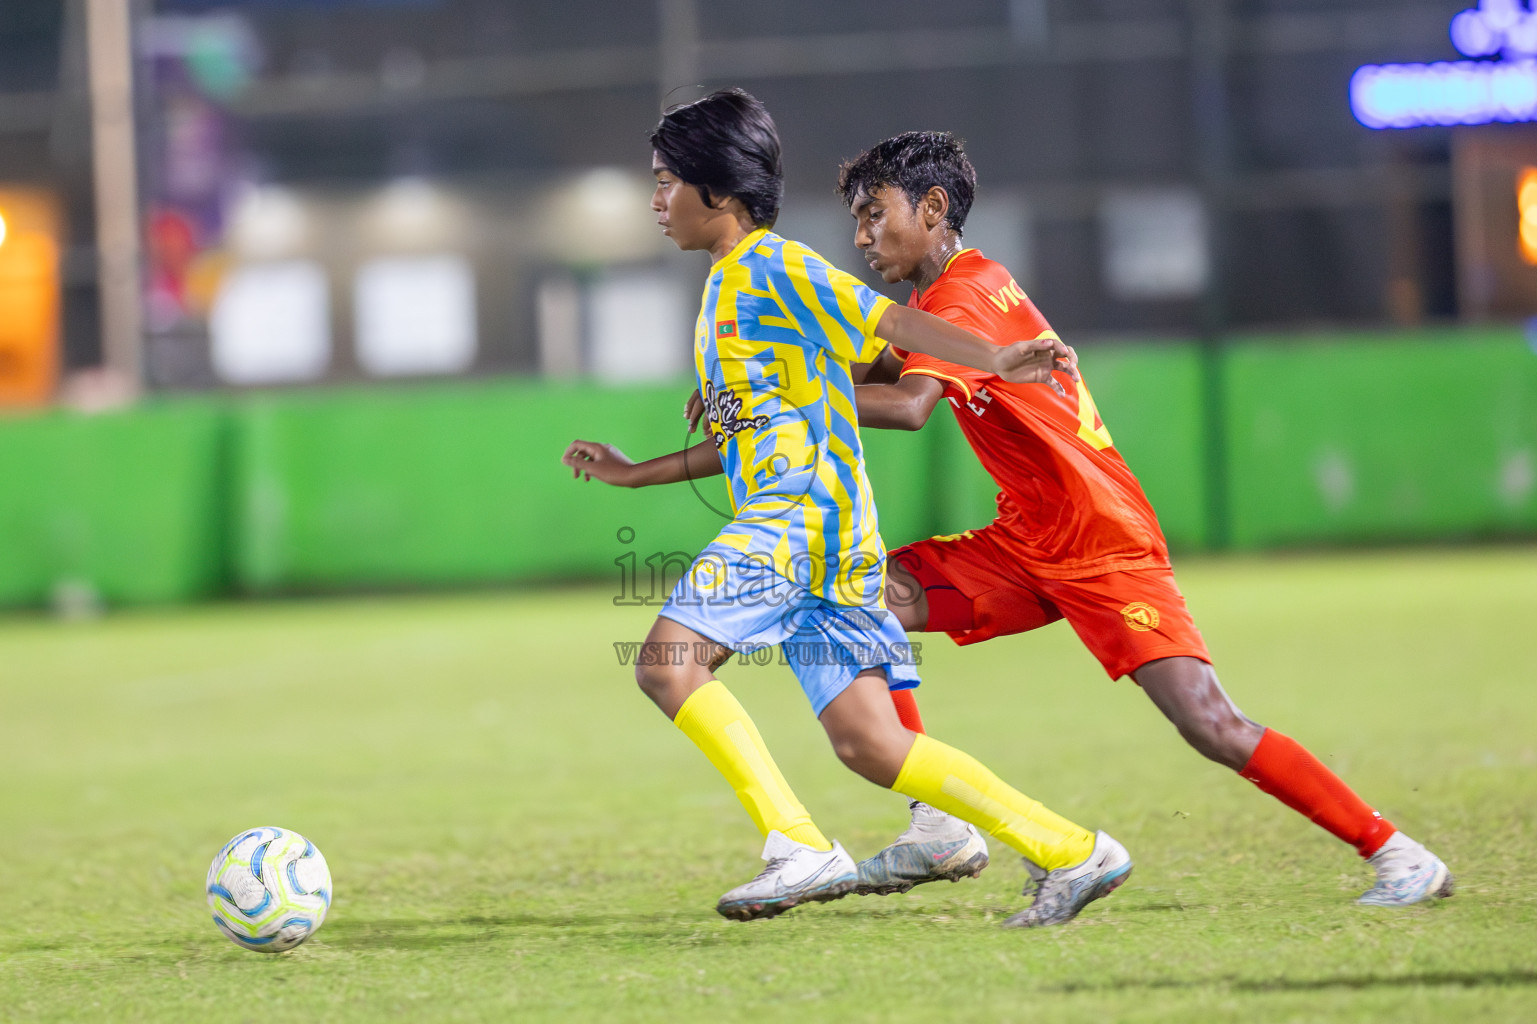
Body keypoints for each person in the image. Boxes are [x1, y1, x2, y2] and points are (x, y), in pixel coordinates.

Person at [827, 130, 1452, 908]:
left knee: (1209, 723)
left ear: (932, 207)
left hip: (1100, 542)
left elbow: (908, 405)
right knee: (855, 593)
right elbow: (876, 368)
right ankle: (937, 828)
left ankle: (1396, 852)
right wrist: (762, 379)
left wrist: (772, 403)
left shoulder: (959, 296)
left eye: (872, 213)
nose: (860, 236)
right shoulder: (957, 290)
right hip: (1025, 542)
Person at [562, 90, 1132, 928]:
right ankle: (1072, 850)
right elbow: (786, 409)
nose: (654, 200)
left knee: (666, 663)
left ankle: (796, 846)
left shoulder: (770, 267)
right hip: (833, 538)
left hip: (796, 520)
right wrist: (638, 472)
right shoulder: (732, 288)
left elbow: (892, 322)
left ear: (717, 192)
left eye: (664, 182)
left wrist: (999, 357)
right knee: (871, 744)